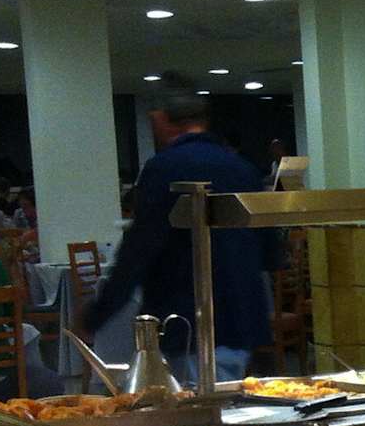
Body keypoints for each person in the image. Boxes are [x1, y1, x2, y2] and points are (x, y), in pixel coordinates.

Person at [84, 88, 279, 388]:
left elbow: (139, 249)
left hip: (185, 315)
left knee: (193, 406)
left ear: (162, 119)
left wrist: (97, 315)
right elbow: (270, 252)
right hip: (240, 316)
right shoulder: (243, 169)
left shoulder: (164, 168)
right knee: (225, 397)